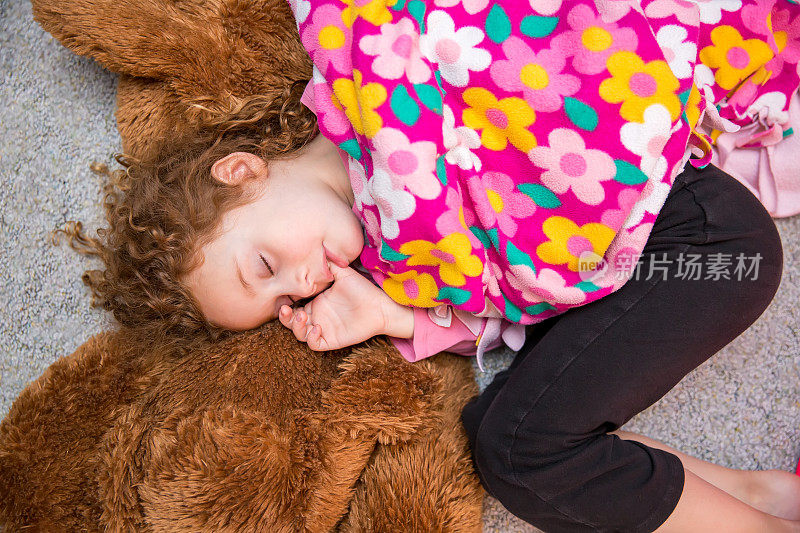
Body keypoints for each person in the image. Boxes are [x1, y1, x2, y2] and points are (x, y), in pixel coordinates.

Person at [58, 1, 800, 532]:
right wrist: (394, 315)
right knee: (500, 429)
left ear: (242, 169)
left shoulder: (353, 60)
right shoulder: (395, 265)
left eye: (265, 262)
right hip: (672, 261)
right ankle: (759, 495)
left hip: (701, 235)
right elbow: (512, 293)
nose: (302, 281)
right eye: (280, 299)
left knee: (516, 451)